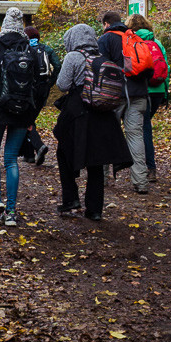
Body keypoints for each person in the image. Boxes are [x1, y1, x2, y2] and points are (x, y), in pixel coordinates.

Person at [0, 7, 51, 227]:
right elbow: (40, 86)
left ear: (5, 23)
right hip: (23, 112)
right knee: (11, 160)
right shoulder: (31, 49)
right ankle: (10, 212)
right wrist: (32, 116)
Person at [53, 23, 133, 220]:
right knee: (96, 161)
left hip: (78, 112)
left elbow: (62, 85)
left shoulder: (73, 56)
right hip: (102, 116)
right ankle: (95, 209)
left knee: (65, 153)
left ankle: (71, 199)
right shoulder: (101, 57)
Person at [98, 10, 151, 194]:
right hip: (139, 94)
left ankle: (101, 178)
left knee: (105, 134)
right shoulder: (134, 37)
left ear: (106, 24)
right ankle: (141, 182)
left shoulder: (105, 39)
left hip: (114, 96)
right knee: (135, 136)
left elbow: (101, 68)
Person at [127, 12, 171, 182]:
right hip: (158, 90)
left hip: (142, 91)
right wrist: (165, 91)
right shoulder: (156, 42)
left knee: (142, 129)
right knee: (145, 127)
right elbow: (165, 66)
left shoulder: (132, 41)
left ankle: (148, 167)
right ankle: (147, 166)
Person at [18, 13, 56, 167]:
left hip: (29, 89)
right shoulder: (46, 49)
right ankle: (29, 155)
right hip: (43, 88)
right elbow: (57, 65)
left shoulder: (24, 48)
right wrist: (50, 82)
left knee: (26, 119)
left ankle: (38, 146)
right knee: (30, 118)